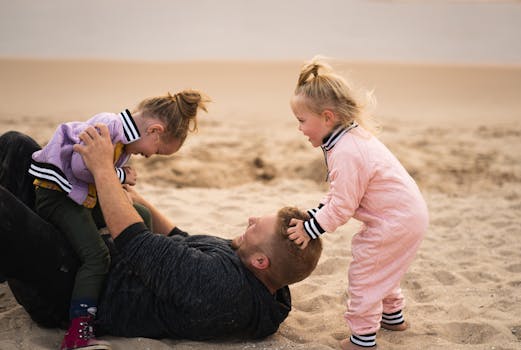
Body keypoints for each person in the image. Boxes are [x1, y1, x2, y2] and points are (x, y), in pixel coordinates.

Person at [0, 129, 322, 344]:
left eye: (256, 227)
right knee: (17, 147)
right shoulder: (264, 276)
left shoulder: (223, 290)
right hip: (91, 253)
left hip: (72, 289)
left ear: (261, 261)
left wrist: (103, 170)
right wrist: (134, 198)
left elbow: (137, 243)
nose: (250, 219)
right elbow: (180, 237)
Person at [27, 89, 209, 350]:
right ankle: (79, 331)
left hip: (79, 196)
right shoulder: (108, 127)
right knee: (96, 257)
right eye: (156, 150)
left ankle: (130, 272)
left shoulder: (123, 139)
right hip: (58, 196)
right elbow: (81, 165)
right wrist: (119, 175)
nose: (149, 156)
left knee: (142, 214)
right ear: (154, 130)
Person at [286, 57, 429, 349]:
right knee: (384, 266)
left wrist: (310, 230)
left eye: (302, 121)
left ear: (327, 117)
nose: (299, 129)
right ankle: (393, 317)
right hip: (408, 215)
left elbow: (342, 208)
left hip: (395, 221)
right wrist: (313, 215)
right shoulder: (350, 139)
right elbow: (340, 196)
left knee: (366, 271)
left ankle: (363, 339)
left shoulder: (346, 151)